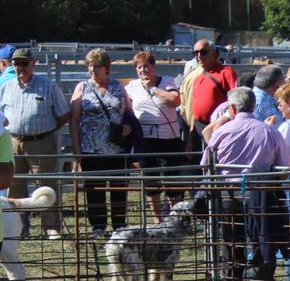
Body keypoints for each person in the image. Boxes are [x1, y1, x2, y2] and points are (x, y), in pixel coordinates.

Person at [201, 87, 290, 281]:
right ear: (254, 106)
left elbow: (206, 163)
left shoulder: (222, 132)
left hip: (226, 197)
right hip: (260, 196)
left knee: (230, 246)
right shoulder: (268, 131)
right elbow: (284, 165)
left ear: (232, 108)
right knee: (259, 243)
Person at [0, 49, 68, 238]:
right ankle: (20, 227)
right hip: (12, 141)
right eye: (16, 63)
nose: (20, 67)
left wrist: (47, 131)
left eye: (24, 63)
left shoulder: (48, 85)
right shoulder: (6, 87)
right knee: (14, 185)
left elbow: (63, 114)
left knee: (46, 183)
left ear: (33, 63)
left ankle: (51, 227)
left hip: (41, 141)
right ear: (12, 65)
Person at [69, 47, 132, 238]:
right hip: (91, 148)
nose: (92, 70)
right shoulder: (82, 87)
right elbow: (74, 120)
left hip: (116, 148)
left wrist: (128, 123)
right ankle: (98, 227)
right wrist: (77, 149)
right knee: (94, 189)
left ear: (106, 67)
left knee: (119, 188)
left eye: (96, 66)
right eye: (89, 66)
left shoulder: (118, 87)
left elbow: (128, 111)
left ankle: (119, 226)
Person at [127, 50, 185, 221]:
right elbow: (126, 106)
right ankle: (157, 219)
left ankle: (175, 218)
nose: (142, 70)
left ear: (153, 67)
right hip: (145, 139)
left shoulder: (166, 82)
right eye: (139, 67)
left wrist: (153, 89)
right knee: (151, 181)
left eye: (146, 66)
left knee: (172, 180)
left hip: (168, 138)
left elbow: (175, 100)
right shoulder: (132, 86)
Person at [180, 41, 236, 152]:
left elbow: (236, 101)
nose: (199, 56)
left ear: (214, 54)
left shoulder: (226, 73)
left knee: (213, 165)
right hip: (197, 129)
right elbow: (195, 113)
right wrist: (190, 139)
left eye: (203, 52)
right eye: (195, 53)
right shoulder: (198, 77)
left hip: (216, 129)